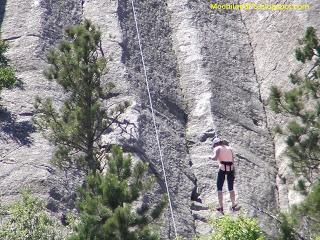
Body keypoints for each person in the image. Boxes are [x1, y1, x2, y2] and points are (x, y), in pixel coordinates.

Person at [210, 137, 241, 214]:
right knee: (231, 187)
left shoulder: (217, 148)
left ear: (215, 144)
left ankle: (221, 207)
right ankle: (234, 205)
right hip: (230, 169)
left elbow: (215, 158)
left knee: (219, 187)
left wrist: (210, 157)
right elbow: (232, 160)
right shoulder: (229, 148)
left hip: (222, 170)